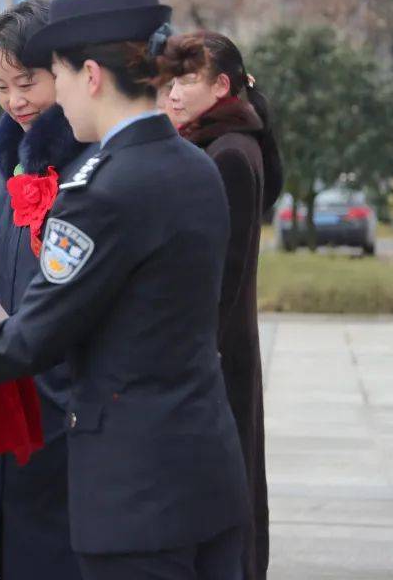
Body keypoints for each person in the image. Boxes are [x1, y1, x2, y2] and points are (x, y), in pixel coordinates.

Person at [0, 0, 250, 580]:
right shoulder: (196, 166)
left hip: (129, 490)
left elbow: (36, 335)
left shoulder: (100, 190)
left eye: (53, 75)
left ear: (92, 76)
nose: (43, 98)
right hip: (204, 471)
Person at [162, 30, 284, 580]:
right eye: (169, 81)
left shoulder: (227, 154)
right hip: (226, 351)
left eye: (188, 80)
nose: (174, 93)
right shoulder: (221, 143)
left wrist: (189, 361)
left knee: (227, 500)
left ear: (223, 85)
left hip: (217, 355)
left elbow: (221, 279)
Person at [0, 0, 87, 580]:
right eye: (1, 86)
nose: (15, 101)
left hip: (63, 409)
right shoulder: (11, 163)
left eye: (27, 83)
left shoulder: (90, 167)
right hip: (7, 396)